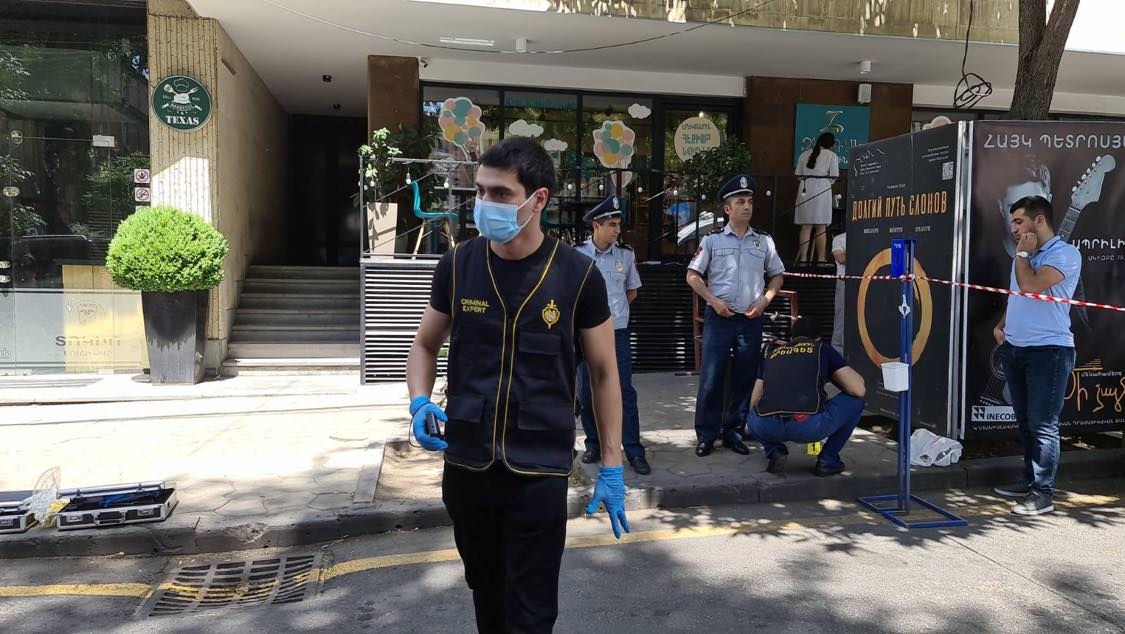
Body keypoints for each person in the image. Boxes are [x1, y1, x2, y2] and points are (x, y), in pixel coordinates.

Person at [405, 137, 630, 633]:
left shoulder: (577, 276)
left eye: (501, 193)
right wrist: (418, 401)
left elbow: (604, 373)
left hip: (538, 470)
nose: (485, 203)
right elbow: (424, 345)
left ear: (538, 199)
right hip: (467, 466)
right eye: (481, 191)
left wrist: (612, 463)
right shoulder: (458, 265)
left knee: (530, 613)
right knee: (486, 595)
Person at [991, 195, 1081, 516]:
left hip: (1049, 350)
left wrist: (1023, 254)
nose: (1014, 228)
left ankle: (1043, 493)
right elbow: (1018, 295)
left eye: (1019, 221)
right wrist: (1002, 324)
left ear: (1039, 220)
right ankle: (1030, 480)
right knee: (1025, 421)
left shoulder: (1065, 254)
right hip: (1015, 347)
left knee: (1043, 424)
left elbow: (1030, 285)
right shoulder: (1024, 255)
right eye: (1012, 222)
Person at [686, 173, 785, 458]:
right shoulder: (713, 240)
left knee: (744, 378)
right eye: (740, 202)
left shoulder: (764, 242)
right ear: (727, 208)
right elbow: (692, 276)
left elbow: (777, 275)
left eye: (749, 201)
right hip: (720, 318)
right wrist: (713, 301)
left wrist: (765, 300)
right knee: (711, 378)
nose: (747, 206)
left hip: (750, 319)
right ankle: (706, 435)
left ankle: (734, 432)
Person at [576, 195, 649, 475]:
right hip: (586, 334)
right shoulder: (578, 255)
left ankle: (633, 450)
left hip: (617, 333)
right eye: (611, 225)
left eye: (618, 224)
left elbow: (632, 291)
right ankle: (594, 444)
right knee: (587, 391)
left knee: (625, 392)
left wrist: (612, 314)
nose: (617, 230)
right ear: (596, 226)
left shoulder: (626, 255)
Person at [747, 315, 866, 476]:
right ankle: (828, 460)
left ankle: (774, 451)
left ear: (791, 338)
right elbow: (858, 390)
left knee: (752, 413)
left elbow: (754, 400)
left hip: (767, 427)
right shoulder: (822, 349)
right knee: (856, 402)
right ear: (818, 339)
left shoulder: (771, 353)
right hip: (807, 426)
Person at [794, 132, 840, 266]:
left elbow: (798, 175)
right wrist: (824, 182)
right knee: (821, 227)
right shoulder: (832, 156)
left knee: (806, 226)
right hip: (822, 190)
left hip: (805, 188)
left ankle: (803, 260)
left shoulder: (804, 154)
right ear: (831, 144)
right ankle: (821, 259)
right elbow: (834, 176)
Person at [830, 231, 847, 355]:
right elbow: (840, 258)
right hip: (844, 282)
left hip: (865, 281)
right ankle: (837, 354)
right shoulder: (839, 238)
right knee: (841, 318)